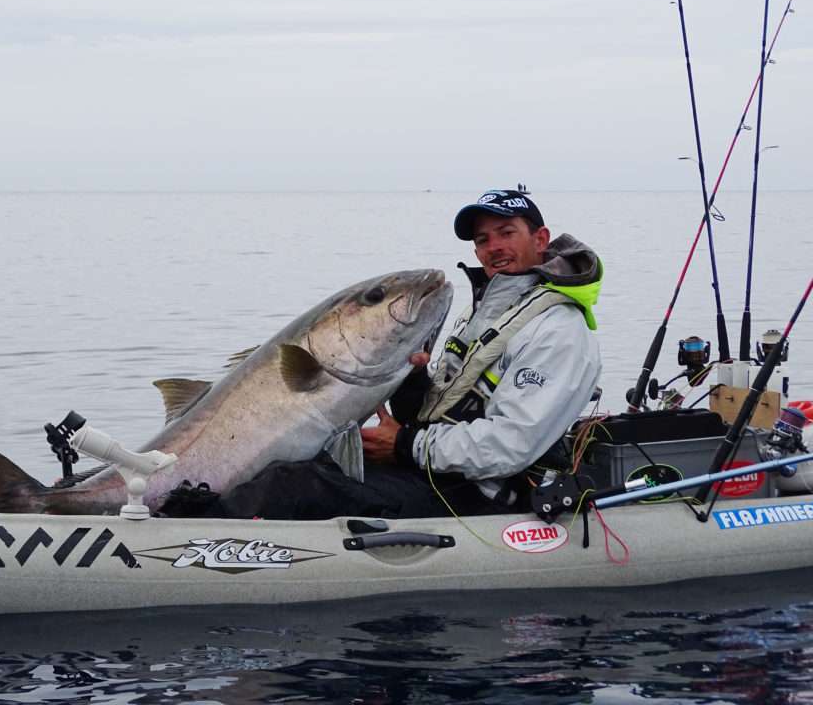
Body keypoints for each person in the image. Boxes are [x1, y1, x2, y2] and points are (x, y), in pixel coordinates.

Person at [165, 188, 602, 519]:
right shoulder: (489, 310)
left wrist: (407, 445)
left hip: (480, 495)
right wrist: (413, 385)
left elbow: (510, 445)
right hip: (437, 472)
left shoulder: (558, 330)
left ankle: (177, 544)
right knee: (301, 464)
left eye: (507, 233)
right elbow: (446, 410)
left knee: (288, 485)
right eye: (483, 239)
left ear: (541, 238)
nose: (493, 248)